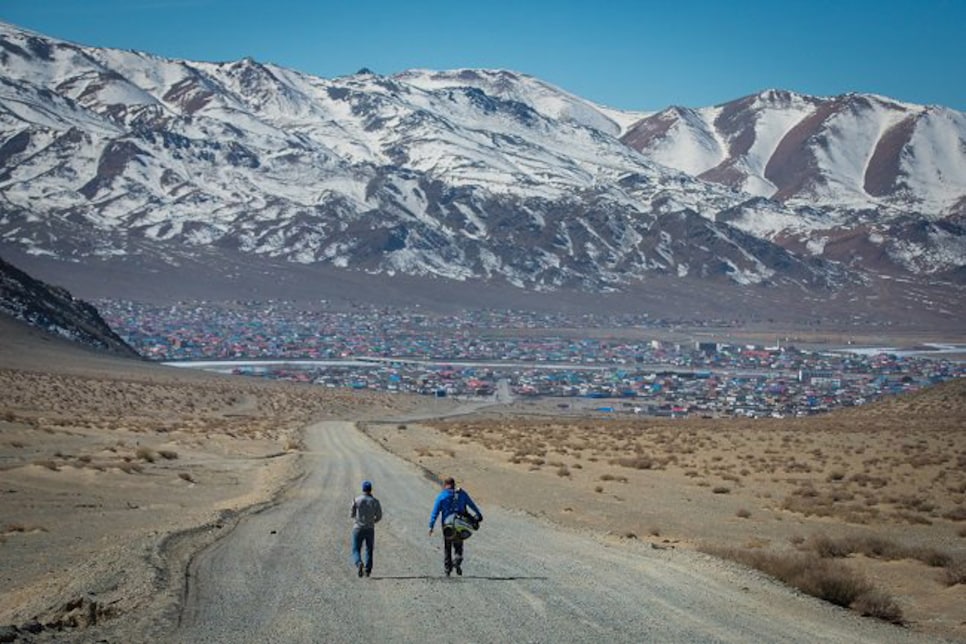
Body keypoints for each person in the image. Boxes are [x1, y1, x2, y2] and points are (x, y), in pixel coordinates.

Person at [428, 476, 482, 576]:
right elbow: (471, 504)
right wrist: (478, 514)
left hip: (447, 526)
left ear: (445, 485)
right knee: (458, 545)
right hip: (459, 524)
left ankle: (447, 569)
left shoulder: (442, 496)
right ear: (454, 485)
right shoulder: (462, 494)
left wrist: (431, 526)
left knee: (447, 547)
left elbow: (435, 512)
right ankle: (457, 560)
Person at [350, 479, 382, 578]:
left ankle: (359, 563)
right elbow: (379, 516)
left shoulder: (356, 499)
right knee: (369, 549)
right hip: (370, 528)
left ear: (363, 489)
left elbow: (352, 514)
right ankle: (368, 570)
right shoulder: (375, 501)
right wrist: (373, 521)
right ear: (371, 489)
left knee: (356, 549)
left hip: (358, 528)